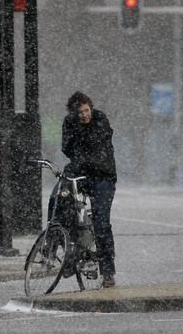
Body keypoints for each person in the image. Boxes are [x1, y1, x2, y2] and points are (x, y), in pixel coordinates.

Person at [61, 91, 117, 288]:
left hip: (103, 176)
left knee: (102, 222)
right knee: (63, 203)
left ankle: (108, 271)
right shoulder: (69, 123)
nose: (85, 115)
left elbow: (96, 146)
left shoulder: (101, 119)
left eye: (87, 111)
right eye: (80, 113)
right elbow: (67, 148)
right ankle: (69, 253)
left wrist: (81, 152)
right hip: (82, 173)